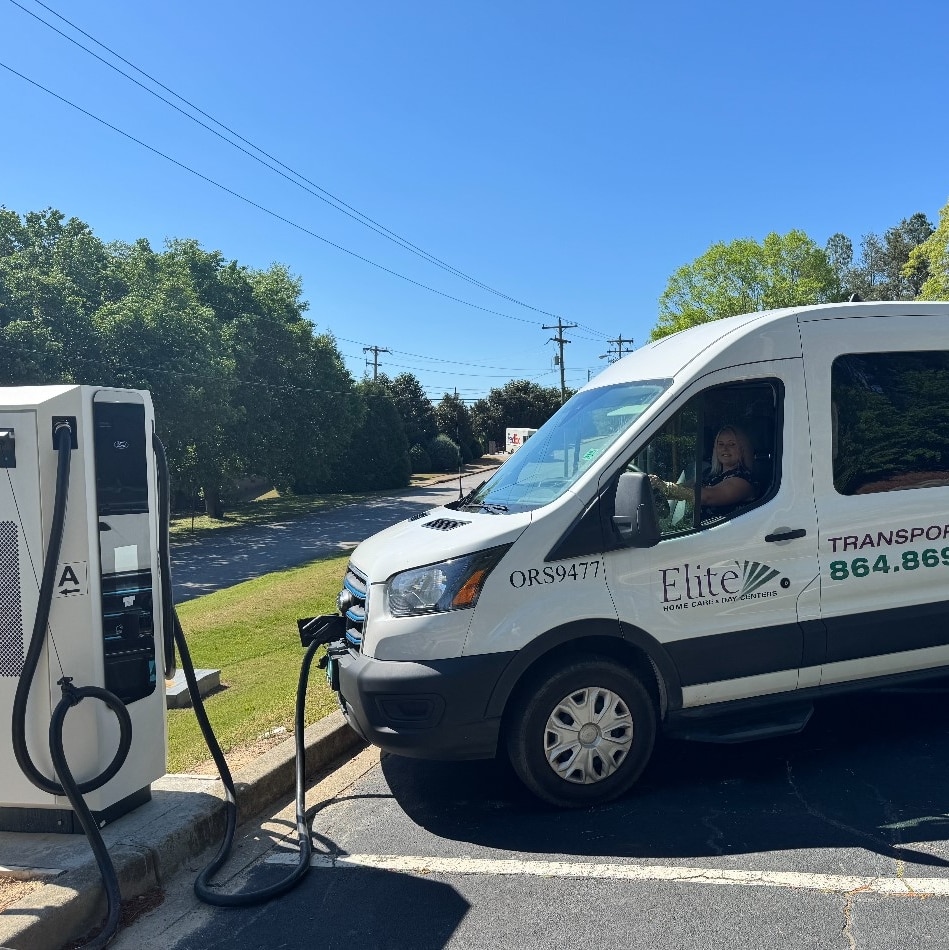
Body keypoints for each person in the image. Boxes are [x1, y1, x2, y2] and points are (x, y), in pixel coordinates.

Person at [650, 425, 755, 519]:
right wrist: (656, 488)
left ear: (742, 448)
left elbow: (707, 497)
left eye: (731, 444)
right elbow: (684, 488)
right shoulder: (709, 473)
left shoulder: (743, 480)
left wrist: (666, 487)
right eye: (720, 444)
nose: (725, 448)